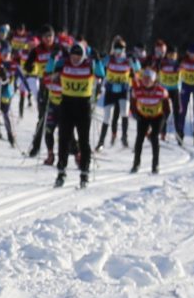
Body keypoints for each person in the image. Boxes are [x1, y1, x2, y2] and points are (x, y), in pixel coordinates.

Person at [50, 40, 98, 187]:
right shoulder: (64, 63)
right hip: (67, 105)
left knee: (84, 141)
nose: (75, 57)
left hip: (83, 106)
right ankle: (61, 171)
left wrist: (98, 60)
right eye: (73, 54)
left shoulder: (89, 65)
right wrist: (53, 58)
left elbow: (101, 74)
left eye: (78, 54)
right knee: (63, 139)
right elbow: (50, 72)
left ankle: (84, 173)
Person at [129, 67, 170, 173]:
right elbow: (133, 104)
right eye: (144, 79)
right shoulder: (137, 91)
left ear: (154, 80)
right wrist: (135, 114)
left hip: (157, 116)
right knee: (139, 139)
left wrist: (164, 118)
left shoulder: (161, 91)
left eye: (149, 80)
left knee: (154, 137)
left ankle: (155, 165)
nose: (146, 82)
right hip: (143, 116)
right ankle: (136, 164)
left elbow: (167, 107)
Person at [97, 38, 134, 151]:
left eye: (121, 50)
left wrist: (134, 60)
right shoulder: (110, 58)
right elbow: (99, 64)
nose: (118, 53)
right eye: (116, 50)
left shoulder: (127, 59)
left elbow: (137, 68)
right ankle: (101, 142)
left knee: (124, 113)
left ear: (124, 50)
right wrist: (100, 57)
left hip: (123, 91)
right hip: (110, 91)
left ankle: (124, 138)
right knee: (107, 116)